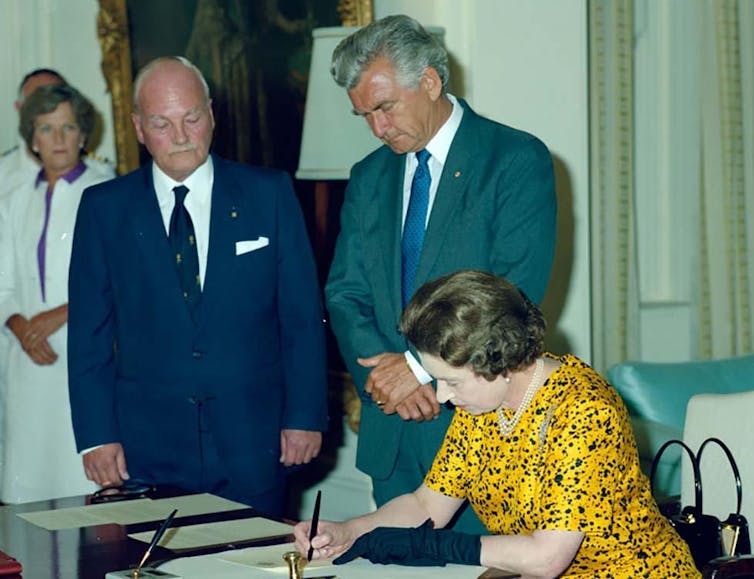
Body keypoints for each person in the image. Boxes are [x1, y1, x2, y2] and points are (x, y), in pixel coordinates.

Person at [295, 270, 700, 578]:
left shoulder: (583, 411)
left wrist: (437, 547)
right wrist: (350, 530)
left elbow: (547, 557)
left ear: (500, 361)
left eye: (451, 381)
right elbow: (427, 505)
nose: (441, 397)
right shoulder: (484, 407)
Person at [67, 56, 328, 516]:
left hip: (255, 442)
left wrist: (304, 416)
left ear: (211, 113)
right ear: (139, 128)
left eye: (191, 118)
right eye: (162, 124)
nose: (182, 136)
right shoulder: (104, 209)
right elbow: (87, 334)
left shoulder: (270, 194)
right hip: (145, 449)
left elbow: (302, 318)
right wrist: (96, 434)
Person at [324, 14, 557, 529]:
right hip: (396, 434)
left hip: (483, 432)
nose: (377, 128)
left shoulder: (515, 160)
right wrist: (388, 380)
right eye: (364, 114)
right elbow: (345, 293)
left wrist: (420, 368)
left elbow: (513, 296)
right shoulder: (368, 176)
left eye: (385, 107)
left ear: (430, 81)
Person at [0, 84, 113, 503]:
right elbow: (3, 283)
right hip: (26, 363)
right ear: (32, 138)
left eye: (68, 127)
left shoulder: (107, 192)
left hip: (82, 361)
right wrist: (21, 326)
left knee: (81, 497)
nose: (59, 139)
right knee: (26, 499)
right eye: (46, 129)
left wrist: (57, 316)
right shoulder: (13, 202)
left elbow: (116, 280)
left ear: (83, 133)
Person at [0, 68, 113, 203]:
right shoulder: (4, 173)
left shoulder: (101, 177)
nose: (58, 139)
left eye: (68, 127)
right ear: (21, 109)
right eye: (37, 102)